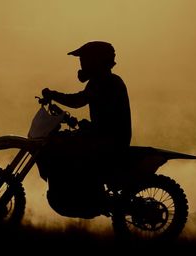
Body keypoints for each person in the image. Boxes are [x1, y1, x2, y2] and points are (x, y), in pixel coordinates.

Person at [40, 41, 132, 217]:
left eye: (84, 60)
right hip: (103, 135)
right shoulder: (100, 81)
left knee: (68, 149)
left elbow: (78, 101)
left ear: (96, 61)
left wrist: (53, 94)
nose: (81, 64)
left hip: (110, 140)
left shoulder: (107, 82)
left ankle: (90, 197)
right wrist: (82, 124)